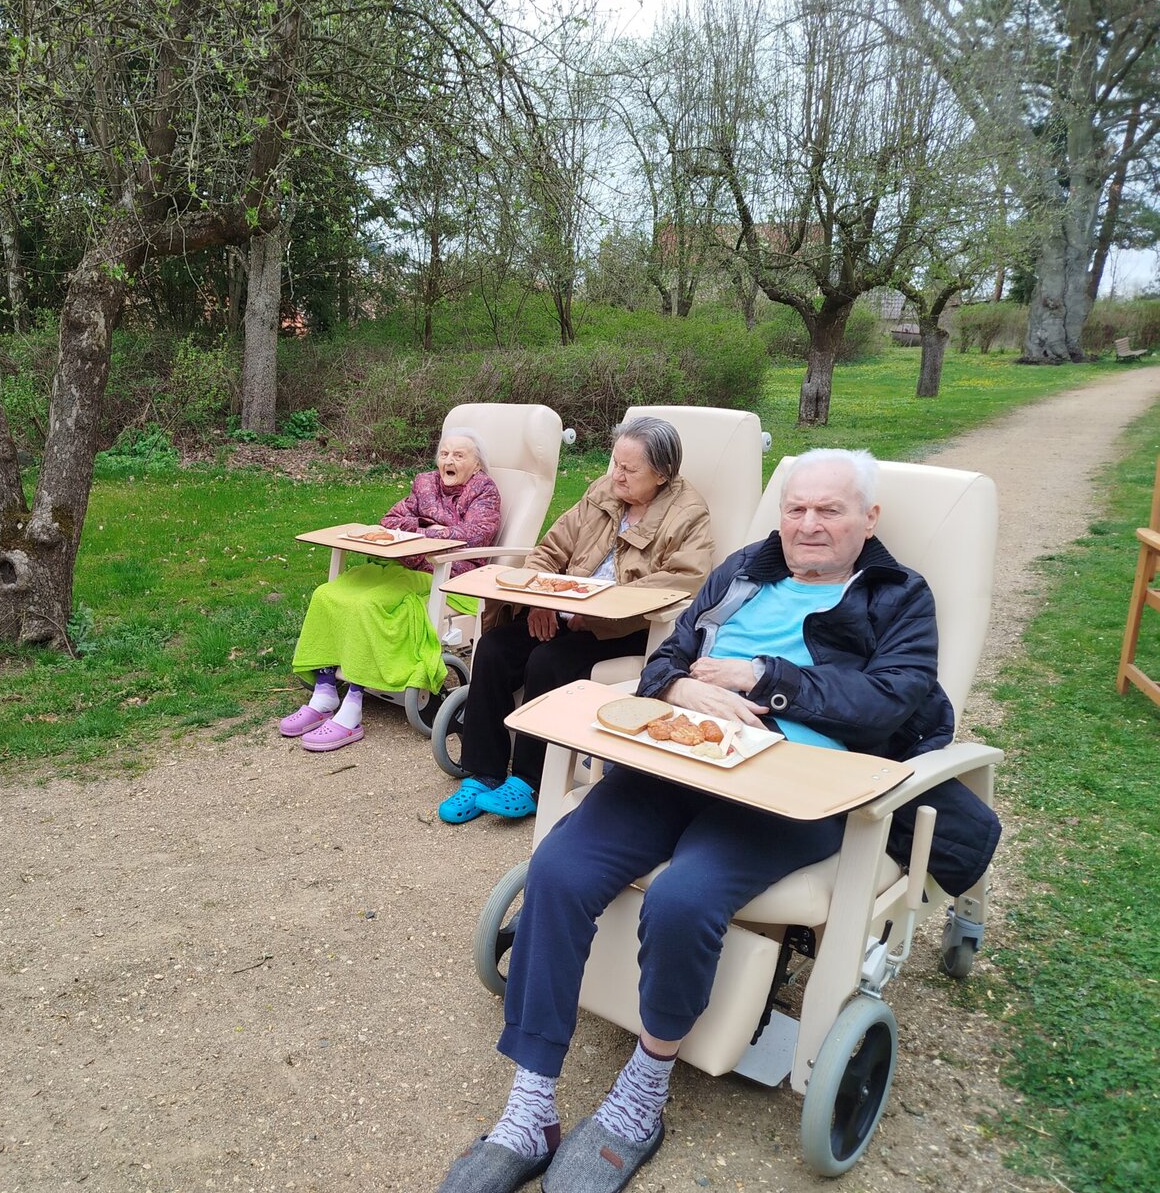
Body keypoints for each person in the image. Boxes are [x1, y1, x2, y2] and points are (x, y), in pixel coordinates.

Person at [436, 449, 1002, 1193]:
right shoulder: (743, 570)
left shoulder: (897, 596)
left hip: (792, 788)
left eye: (829, 510)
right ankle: (531, 1105)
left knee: (684, 898)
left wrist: (765, 678)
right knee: (559, 869)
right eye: (795, 508)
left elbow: (891, 701)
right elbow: (664, 658)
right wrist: (677, 690)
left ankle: (642, 1095)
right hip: (681, 757)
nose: (807, 524)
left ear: (869, 519)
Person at [439, 417, 714, 824]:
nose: (616, 475)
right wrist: (538, 600)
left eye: (629, 469)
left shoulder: (688, 514)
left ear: (662, 474)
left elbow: (683, 580)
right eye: (615, 463)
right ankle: (484, 772)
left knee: (548, 660)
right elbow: (550, 549)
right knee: (495, 648)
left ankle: (531, 781)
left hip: (627, 627)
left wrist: (599, 609)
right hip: (567, 609)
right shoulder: (602, 492)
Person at [283, 431, 501, 752]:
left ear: (477, 464)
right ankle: (326, 690)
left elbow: (475, 534)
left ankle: (353, 705)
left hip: (450, 574)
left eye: (458, 455)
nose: (448, 461)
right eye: (444, 454)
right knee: (328, 594)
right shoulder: (424, 483)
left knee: (371, 602)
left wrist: (423, 531)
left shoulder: (484, 490)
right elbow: (389, 520)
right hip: (404, 564)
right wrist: (429, 529)